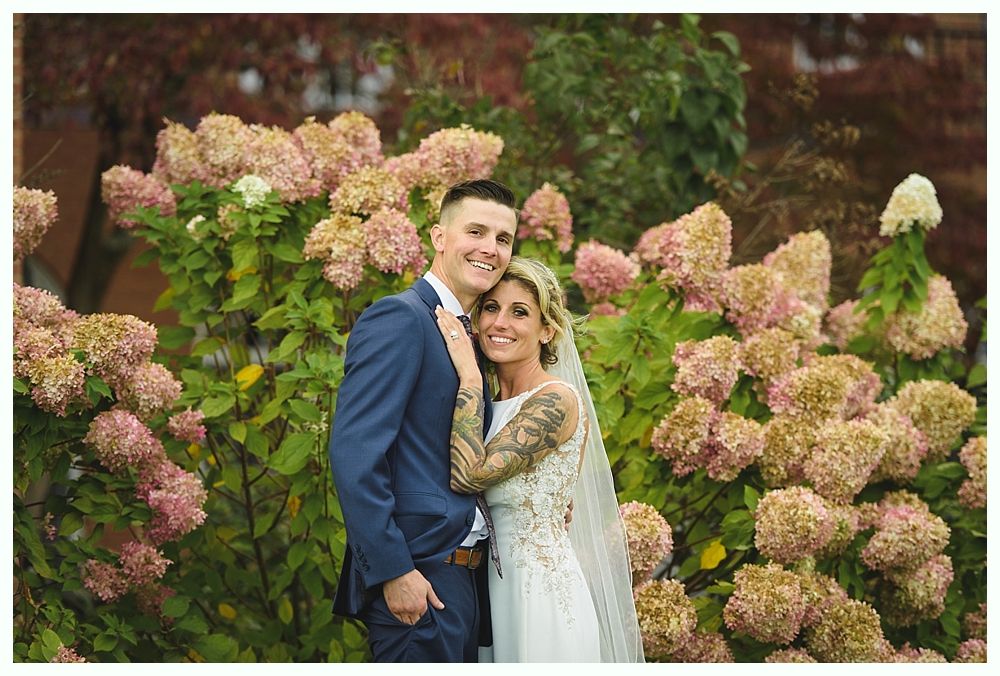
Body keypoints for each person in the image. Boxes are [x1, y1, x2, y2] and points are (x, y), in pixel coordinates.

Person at [328, 179, 517, 662]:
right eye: (476, 231)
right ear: (438, 236)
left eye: (503, 239)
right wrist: (393, 570)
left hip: (465, 581)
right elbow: (356, 453)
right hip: (419, 577)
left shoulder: (474, 339)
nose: (490, 249)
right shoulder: (400, 318)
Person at [434, 256, 644, 663]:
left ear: (547, 330)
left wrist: (470, 377)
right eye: (491, 308)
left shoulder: (556, 400)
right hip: (489, 590)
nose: (500, 323)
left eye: (520, 313)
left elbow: (469, 475)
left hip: (541, 593)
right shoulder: (491, 406)